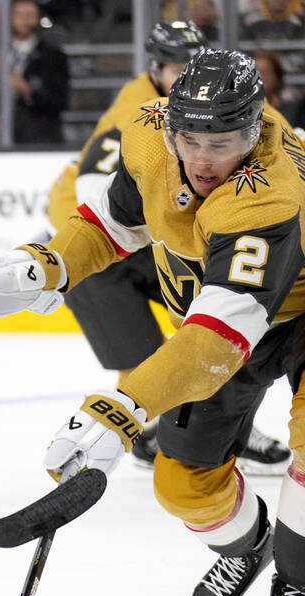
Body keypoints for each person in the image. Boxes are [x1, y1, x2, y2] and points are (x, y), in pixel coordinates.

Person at [0, 49, 305, 596]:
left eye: (220, 144)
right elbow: (113, 225)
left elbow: (219, 341)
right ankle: (251, 544)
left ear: (253, 134)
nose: (201, 160)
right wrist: (46, 267)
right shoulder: (146, 132)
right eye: (189, 139)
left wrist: (125, 406)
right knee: (181, 485)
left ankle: (300, 580)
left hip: (286, 316)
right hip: (224, 320)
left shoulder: (268, 193)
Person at [46, 21, 291, 475]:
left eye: (189, 64)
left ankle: (216, 428)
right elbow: (101, 198)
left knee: (211, 324)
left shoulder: (211, 103)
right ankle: (145, 431)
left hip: (145, 236)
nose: (185, 75)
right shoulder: (139, 112)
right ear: (155, 69)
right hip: (101, 249)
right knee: (167, 344)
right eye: (174, 67)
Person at [0, 0, 68, 145]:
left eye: (29, 15)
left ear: (37, 18)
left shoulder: (53, 55)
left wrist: (29, 92)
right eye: (20, 15)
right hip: (6, 133)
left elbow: (60, 100)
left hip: (42, 135)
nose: (25, 20)